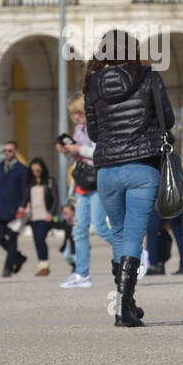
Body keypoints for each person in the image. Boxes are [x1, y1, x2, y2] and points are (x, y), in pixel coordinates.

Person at [85, 29, 174, 327]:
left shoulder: (93, 82)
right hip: (141, 167)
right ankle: (123, 310)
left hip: (107, 170)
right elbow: (169, 119)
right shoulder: (148, 76)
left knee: (120, 235)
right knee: (135, 237)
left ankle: (129, 303)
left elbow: (94, 132)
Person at [56, 94, 113, 289]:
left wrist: (78, 148)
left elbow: (99, 154)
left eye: (78, 114)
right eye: (73, 115)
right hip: (81, 183)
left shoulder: (97, 126)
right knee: (78, 230)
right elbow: (75, 160)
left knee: (100, 227)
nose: (76, 118)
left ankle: (134, 251)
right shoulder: (78, 129)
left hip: (97, 182)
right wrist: (68, 151)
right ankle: (82, 274)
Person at [0, 141, 29, 277]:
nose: (6, 153)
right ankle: (18, 257)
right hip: (0, 209)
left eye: (9, 151)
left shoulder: (22, 170)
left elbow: (25, 191)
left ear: (15, 152)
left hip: (14, 211)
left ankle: (7, 268)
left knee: (12, 240)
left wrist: (23, 206)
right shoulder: (0, 168)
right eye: (5, 151)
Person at [22, 157, 59, 276]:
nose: (36, 173)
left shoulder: (50, 181)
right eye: (33, 171)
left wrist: (51, 213)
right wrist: (21, 208)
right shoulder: (30, 183)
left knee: (40, 239)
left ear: (42, 169)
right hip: (34, 216)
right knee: (36, 241)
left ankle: (44, 265)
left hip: (45, 216)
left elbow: (56, 199)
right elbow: (26, 198)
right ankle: (42, 266)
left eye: (38, 170)